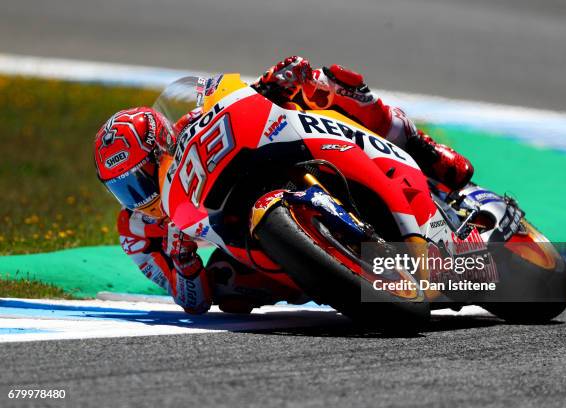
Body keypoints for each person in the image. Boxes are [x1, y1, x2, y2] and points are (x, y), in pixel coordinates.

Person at [93, 56, 473, 315]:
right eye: (122, 190)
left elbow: (236, 100)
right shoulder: (137, 231)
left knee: (325, 88)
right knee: (227, 285)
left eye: (140, 180)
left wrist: (274, 82)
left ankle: (419, 147)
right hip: (241, 228)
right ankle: (330, 268)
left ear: (161, 147)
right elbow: (192, 303)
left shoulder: (190, 125)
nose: (139, 199)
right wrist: (184, 260)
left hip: (278, 152)